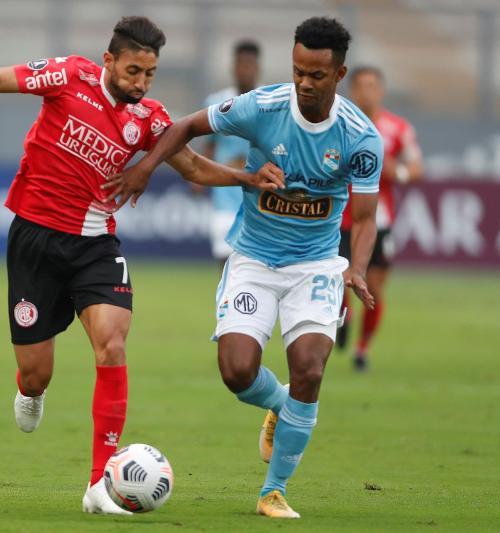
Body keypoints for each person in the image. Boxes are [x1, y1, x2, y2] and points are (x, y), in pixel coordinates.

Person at [0, 16, 283, 515]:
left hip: (95, 246)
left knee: (112, 344)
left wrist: (246, 178)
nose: (141, 83)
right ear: (109, 60)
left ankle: (98, 486)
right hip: (35, 241)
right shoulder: (68, 76)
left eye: (149, 74)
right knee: (36, 374)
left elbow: (191, 165)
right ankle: (29, 390)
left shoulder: (148, 118)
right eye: (133, 71)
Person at [104, 17, 382, 519]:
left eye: (316, 74)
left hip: (316, 264)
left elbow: (363, 218)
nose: (303, 82)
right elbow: (186, 125)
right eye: (298, 70)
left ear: (339, 73)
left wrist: (355, 268)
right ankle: (279, 406)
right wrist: (146, 166)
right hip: (253, 257)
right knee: (236, 372)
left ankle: (272, 491)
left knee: (311, 370)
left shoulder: (360, 137)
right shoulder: (262, 107)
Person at [337, 66, 424, 371]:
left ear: (382, 90)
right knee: (336, 282)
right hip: (338, 218)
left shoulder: (398, 129)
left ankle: (362, 350)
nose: (367, 92)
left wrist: (396, 172)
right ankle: (341, 318)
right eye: (361, 86)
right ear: (352, 90)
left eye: (373, 86)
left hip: (377, 221)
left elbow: (416, 167)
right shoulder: (337, 124)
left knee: (373, 286)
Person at [199, 40, 261, 266]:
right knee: (225, 265)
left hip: (257, 201)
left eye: (250, 64)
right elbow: (209, 144)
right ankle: (224, 303)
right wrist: (198, 175)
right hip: (224, 198)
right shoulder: (217, 103)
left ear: (257, 67)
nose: (245, 69)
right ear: (233, 67)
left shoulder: (268, 103)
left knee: (253, 266)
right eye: (241, 63)